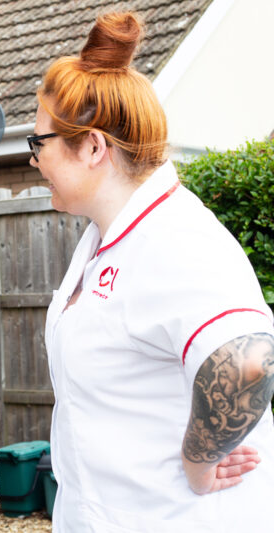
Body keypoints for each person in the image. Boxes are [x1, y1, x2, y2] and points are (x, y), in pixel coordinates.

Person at [30, 12, 274, 532]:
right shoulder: (105, 237)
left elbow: (249, 363)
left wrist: (200, 463)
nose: (34, 160)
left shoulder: (176, 239)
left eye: (39, 143)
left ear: (93, 147)